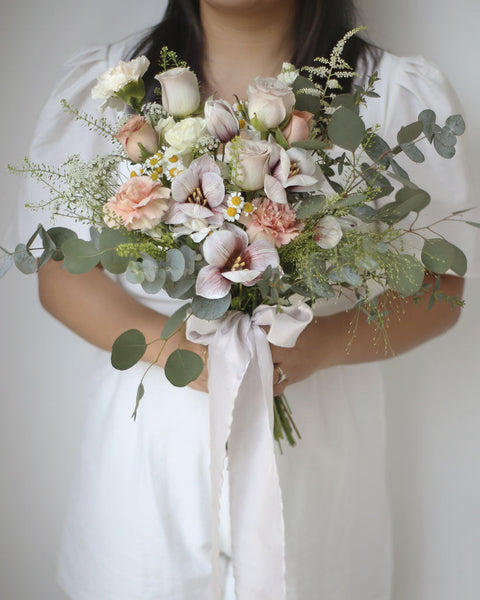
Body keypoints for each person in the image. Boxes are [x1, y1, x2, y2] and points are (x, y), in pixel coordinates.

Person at [17, 1, 476, 599]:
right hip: (151, 451)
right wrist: (180, 350)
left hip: (322, 444)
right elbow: (59, 269)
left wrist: (321, 345)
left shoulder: (391, 94)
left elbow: (442, 285)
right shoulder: (107, 88)